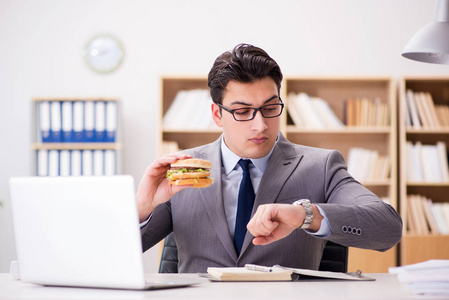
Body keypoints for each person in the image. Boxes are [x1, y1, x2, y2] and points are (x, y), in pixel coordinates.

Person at [137, 43, 402, 273]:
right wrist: (141, 210)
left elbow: (388, 228)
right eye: (242, 111)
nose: (261, 125)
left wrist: (305, 215)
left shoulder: (320, 166)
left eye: (270, 108)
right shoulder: (183, 170)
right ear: (217, 115)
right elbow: (108, 257)